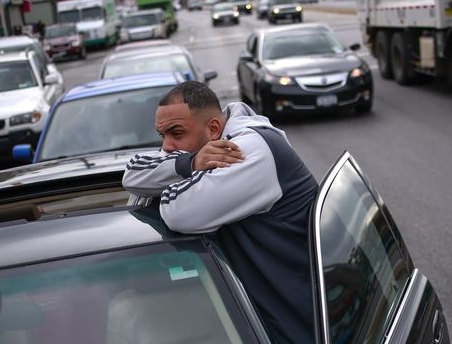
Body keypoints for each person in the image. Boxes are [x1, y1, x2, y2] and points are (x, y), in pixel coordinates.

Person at [122, 81, 318, 344]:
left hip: (299, 325)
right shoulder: (203, 148)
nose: (166, 146)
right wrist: (189, 163)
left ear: (213, 128)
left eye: (176, 133)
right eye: (162, 135)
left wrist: (171, 179)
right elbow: (132, 173)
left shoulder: (248, 151)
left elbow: (178, 212)